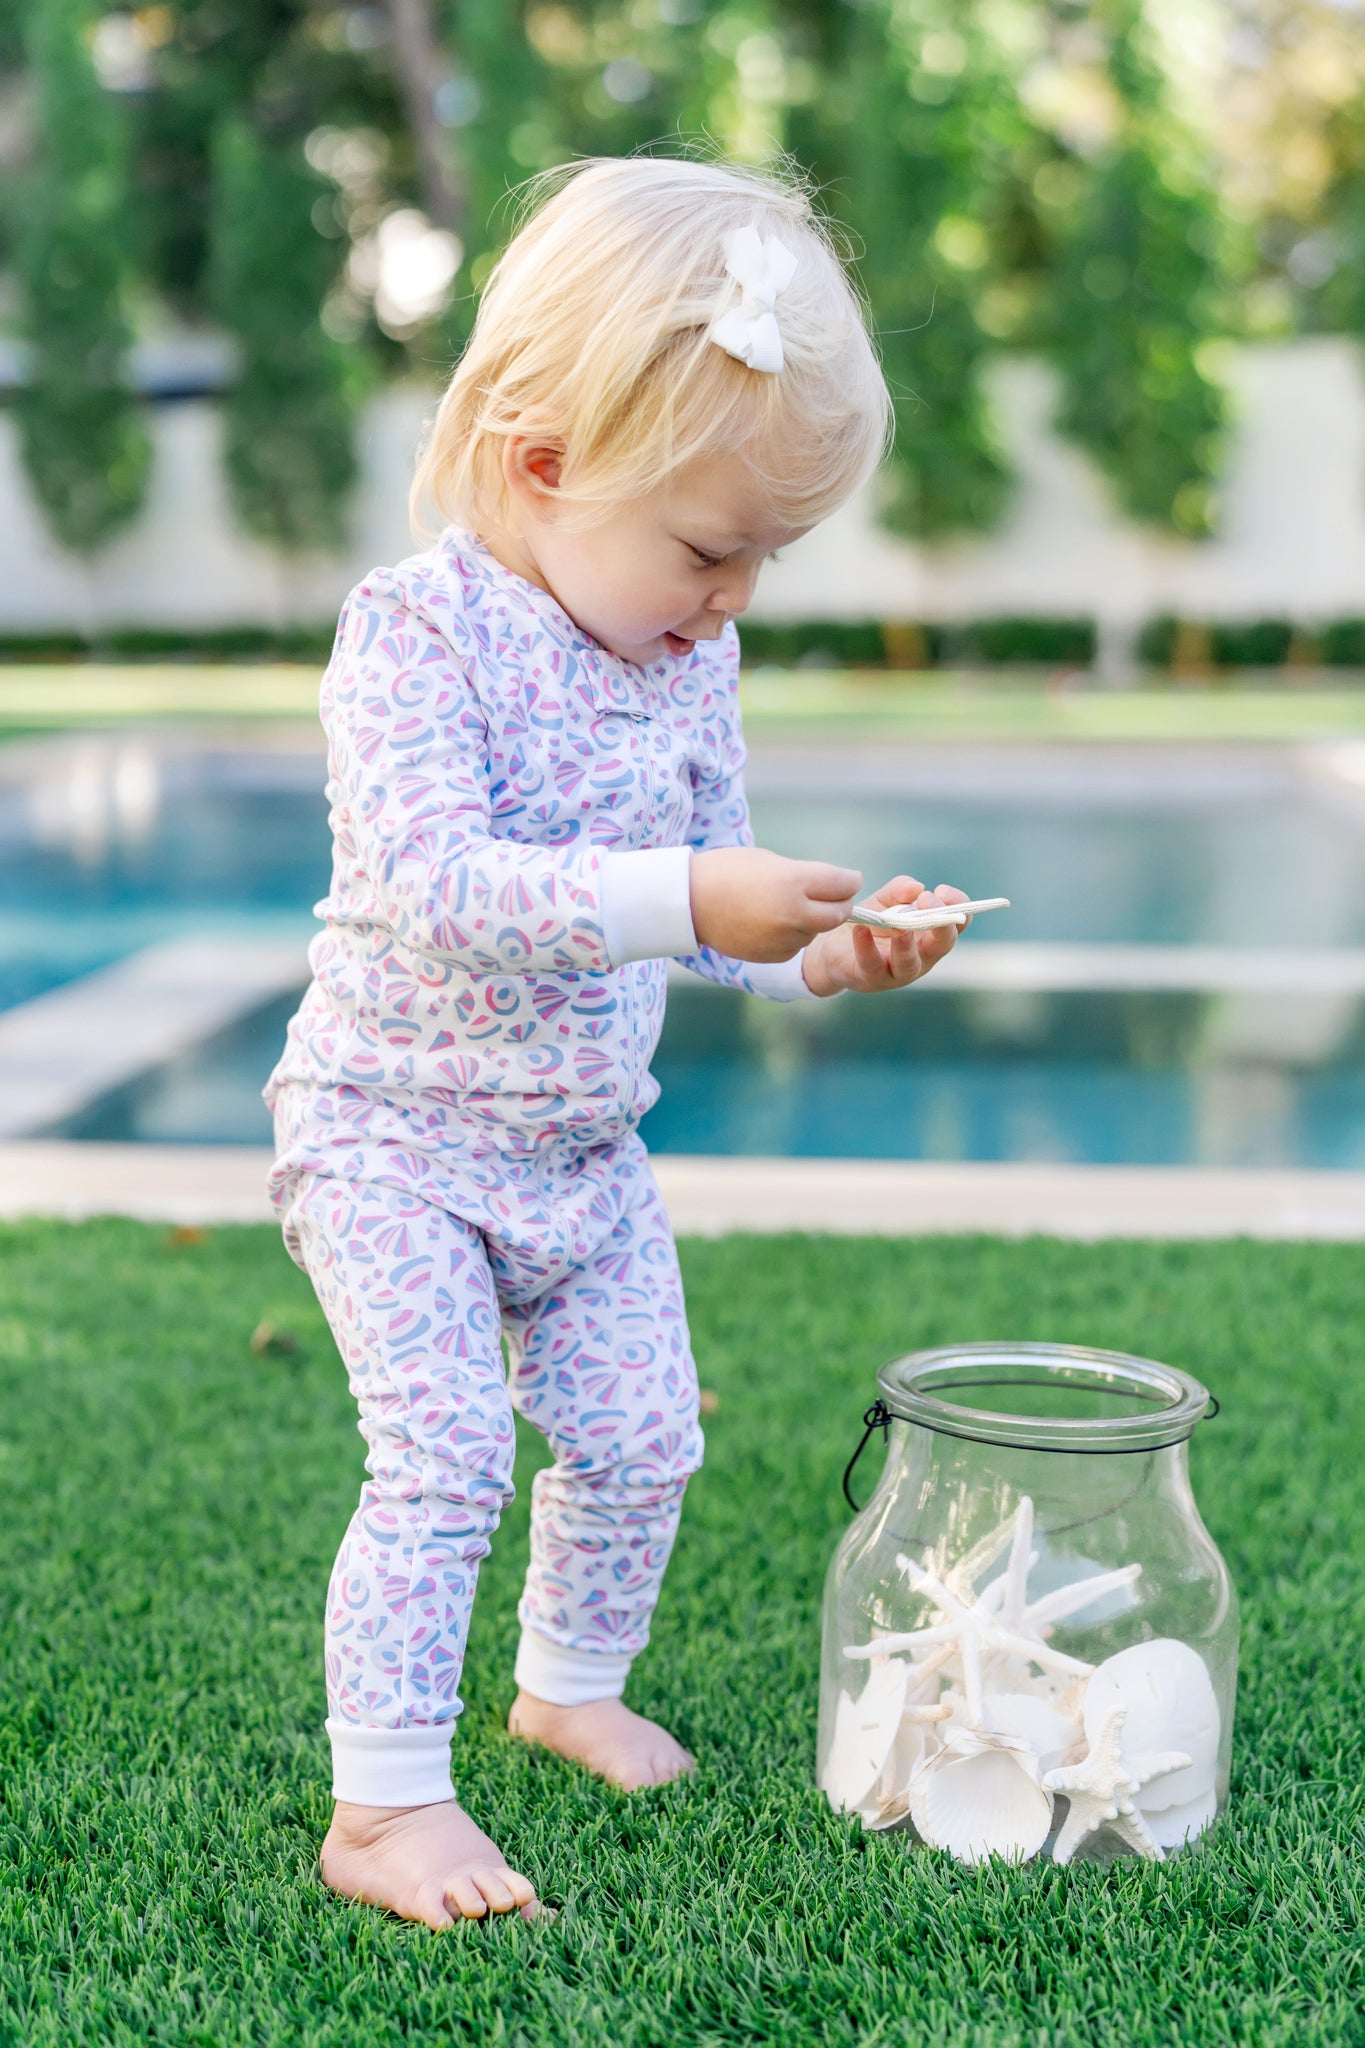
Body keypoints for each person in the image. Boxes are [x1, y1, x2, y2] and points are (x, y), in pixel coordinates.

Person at [263, 151, 971, 1930]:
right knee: (441, 1460)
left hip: (579, 1150)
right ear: (544, 462)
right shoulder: (415, 635)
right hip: (391, 1138)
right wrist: (687, 897)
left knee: (645, 1439)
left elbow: (723, 925)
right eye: (712, 546)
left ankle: (565, 1685)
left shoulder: (679, 661)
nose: (734, 597)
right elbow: (434, 884)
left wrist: (830, 958)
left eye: (766, 559)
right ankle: (386, 1806)